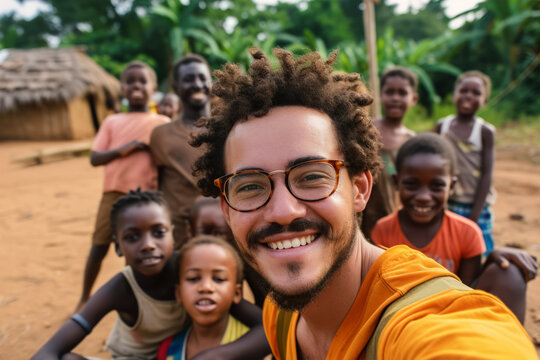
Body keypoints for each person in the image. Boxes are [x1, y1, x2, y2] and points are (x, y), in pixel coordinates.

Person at [190, 48, 537, 359]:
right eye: (250, 186)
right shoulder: (280, 314)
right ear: (227, 209)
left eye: (312, 177)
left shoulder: (427, 323)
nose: (283, 211)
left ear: (359, 190)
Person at [33, 190, 269, 360]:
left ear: (172, 235)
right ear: (117, 247)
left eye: (158, 232)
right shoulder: (121, 288)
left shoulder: (193, 271)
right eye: (132, 237)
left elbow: (266, 329)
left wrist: (216, 355)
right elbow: (50, 350)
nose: (147, 245)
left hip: (178, 351)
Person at [371, 132, 537, 323]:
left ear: (452, 186)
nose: (424, 196)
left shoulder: (467, 233)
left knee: (509, 273)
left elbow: (468, 292)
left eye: (437, 186)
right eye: (411, 184)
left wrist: (491, 260)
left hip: (455, 317)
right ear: (396, 182)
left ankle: (507, 347)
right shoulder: (383, 231)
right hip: (405, 321)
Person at [74, 61, 170, 313]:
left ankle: (140, 299)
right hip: (114, 195)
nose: (136, 85)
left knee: (141, 249)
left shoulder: (162, 122)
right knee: (99, 245)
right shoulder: (112, 121)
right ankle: (85, 297)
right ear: (122, 88)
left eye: (142, 81)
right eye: (130, 81)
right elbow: (95, 158)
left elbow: (167, 160)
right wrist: (123, 149)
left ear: (154, 88)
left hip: (148, 198)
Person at [157, 235, 255, 359]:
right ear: (178, 293)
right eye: (193, 278)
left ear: (236, 293)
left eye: (218, 279)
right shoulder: (168, 350)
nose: (206, 287)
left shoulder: (254, 346)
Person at [150, 54, 212, 248]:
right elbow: (155, 182)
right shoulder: (160, 135)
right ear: (176, 87)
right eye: (188, 79)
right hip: (180, 234)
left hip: (224, 227)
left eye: (202, 78)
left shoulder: (229, 129)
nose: (197, 84)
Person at [434, 70, 496, 254]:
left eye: (476, 93)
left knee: (477, 252)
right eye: (464, 90)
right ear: (454, 94)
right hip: (447, 204)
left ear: (484, 100)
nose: (469, 95)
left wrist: (475, 214)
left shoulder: (485, 131)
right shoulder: (442, 126)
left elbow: (487, 174)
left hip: (475, 206)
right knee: (448, 250)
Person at [362, 67, 418, 239]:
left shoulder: (412, 141)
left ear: (413, 99)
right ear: (380, 96)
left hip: (393, 214)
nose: (395, 98)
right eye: (389, 92)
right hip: (363, 212)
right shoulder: (366, 129)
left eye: (402, 93)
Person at [189, 196, 268, 307]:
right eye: (204, 232)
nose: (212, 241)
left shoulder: (247, 263)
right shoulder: (186, 262)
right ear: (190, 233)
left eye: (220, 233)